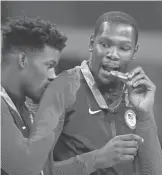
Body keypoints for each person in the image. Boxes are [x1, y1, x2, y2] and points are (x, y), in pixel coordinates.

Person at [1, 17, 133, 175]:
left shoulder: (24, 112)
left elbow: (44, 172)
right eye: (49, 65)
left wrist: (98, 160)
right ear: (22, 60)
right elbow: (25, 170)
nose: (53, 76)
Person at [50, 11, 162, 175]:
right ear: (91, 43)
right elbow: (35, 171)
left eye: (124, 48)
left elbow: (153, 173)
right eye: (105, 45)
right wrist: (97, 159)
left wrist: (145, 114)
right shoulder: (63, 88)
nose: (113, 54)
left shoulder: (135, 95)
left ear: (134, 52)